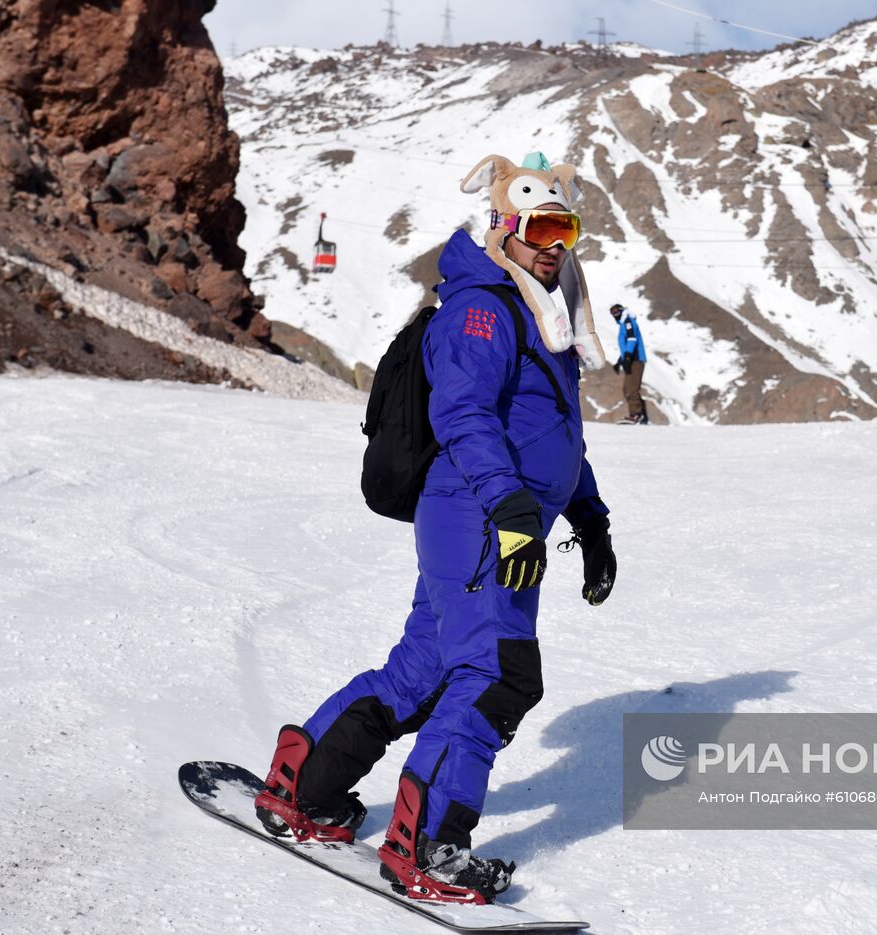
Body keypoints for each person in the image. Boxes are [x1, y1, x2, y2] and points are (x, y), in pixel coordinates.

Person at [253, 152, 618, 905]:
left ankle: (304, 782)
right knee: (498, 674)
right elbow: (463, 414)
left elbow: (552, 435)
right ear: (504, 229)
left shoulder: (536, 309)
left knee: (425, 668)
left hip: (488, 518)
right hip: (482, 516)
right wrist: (511, 506)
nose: (555, 244)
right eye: (541, 228)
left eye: (566, 228)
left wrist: (590, 517)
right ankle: (428, 845)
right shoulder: (484, 306)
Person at [610, 303, 649, 424]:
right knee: (627, 388)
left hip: (635, 360)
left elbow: (632, 339)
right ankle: (642, 415)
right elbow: (627, 344)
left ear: (622, 311)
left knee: (631, 388)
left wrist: (627, 357)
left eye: (616, 311)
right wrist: (620, 360)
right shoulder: (624, 323)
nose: (615, 314)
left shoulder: (627, 321)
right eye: (612, 313)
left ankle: (635, 415)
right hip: (632, 359)